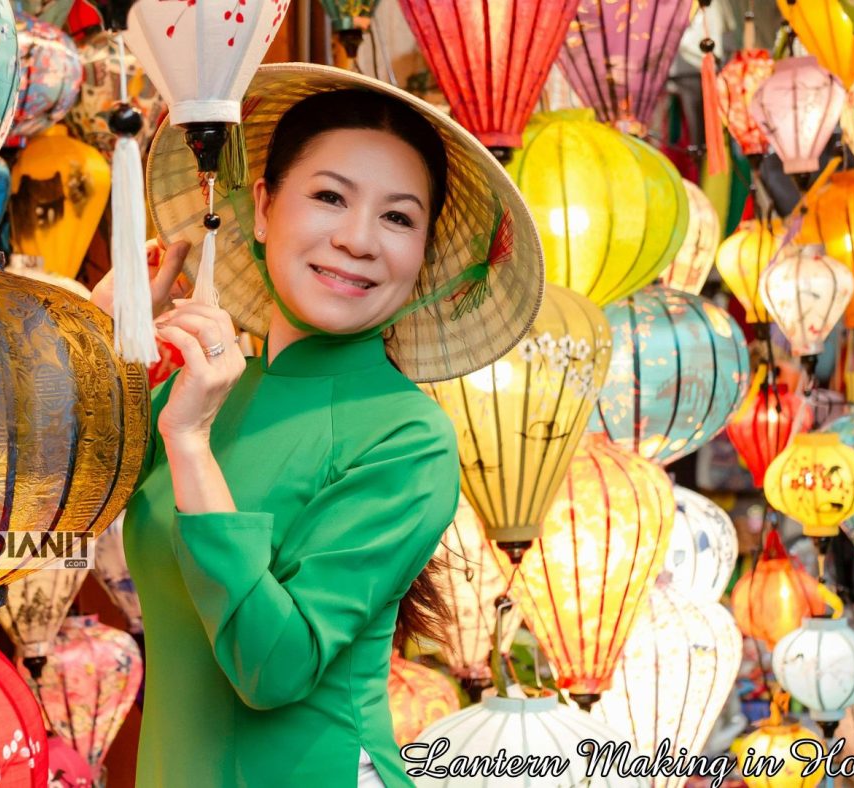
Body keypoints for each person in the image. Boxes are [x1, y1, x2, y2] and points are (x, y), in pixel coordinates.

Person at [91, 63, 544, 787]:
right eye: (330, 197)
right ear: (265, 207)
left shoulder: (405, 436)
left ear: (422, 253)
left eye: (398, 217)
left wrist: (190, 445)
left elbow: (274, 668)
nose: (360, 240)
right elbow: (35, 514)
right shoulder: (205, 390)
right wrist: (105, 341)